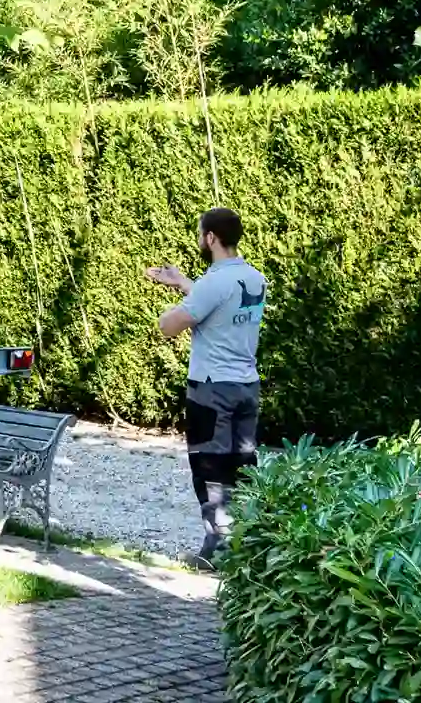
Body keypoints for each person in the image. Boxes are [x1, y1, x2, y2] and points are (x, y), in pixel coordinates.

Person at [145, 206, 266, 569]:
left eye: (201, 234)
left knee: (210, 467)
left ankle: (216, 552)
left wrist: (172, 307)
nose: (200, 239)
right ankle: (247, 546)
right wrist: (182, 282)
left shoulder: (214, 283)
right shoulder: (253, 278)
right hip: (247, 386)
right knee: (243, 464)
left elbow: (170, 326)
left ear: (211, 238)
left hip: (212, 390)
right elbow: (221, 302)